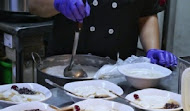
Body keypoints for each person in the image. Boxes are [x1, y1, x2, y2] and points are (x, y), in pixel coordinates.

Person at [28, 0, 177, 67]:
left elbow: (147, 14)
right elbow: (34, 5)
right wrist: (58, 3)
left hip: (119, 74)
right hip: (66, 70)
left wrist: (152, 49)